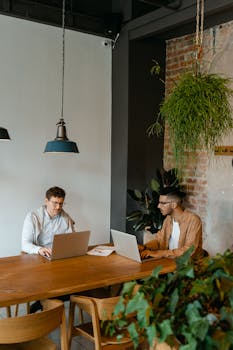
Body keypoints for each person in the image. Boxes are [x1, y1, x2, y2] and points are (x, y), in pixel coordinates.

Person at [139, 187, 203, 260]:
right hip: (169, 262)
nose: (158, 206)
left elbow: (189, 251)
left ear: (173, 205)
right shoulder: (168, 219)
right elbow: (159, 241)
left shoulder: (193, 220)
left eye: (162, 203)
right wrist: (145, 247)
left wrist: (160, 253)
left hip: (186, 266)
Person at [22, 186, 75, 257]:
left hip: (59, 254)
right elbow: (25, 244)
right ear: (46, 201)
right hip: (39, 255)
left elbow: (72, 239)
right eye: (55, 203)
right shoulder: (32, 217)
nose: (58, 207)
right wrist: (39, 249)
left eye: (61, 203)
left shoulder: (66, 218)